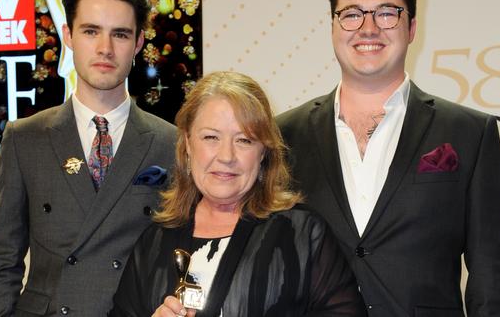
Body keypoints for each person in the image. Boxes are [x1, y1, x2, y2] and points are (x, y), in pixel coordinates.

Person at [277, 0, 500, 316]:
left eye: (387, 13)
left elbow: (491, 279)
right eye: (352, 14)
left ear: (412, 27)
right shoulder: (282, 136)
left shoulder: (471, 133)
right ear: (333, 26)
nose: (368, 28)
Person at [0, 0, 176, 316]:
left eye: (119, 34)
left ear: (138, 43)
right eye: (91, 31)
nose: (105, 48)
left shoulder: (170, 143)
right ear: (68, 35)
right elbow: (3, 256)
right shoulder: (25, 139)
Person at [109, 71, 365, 317]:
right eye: (211, 137)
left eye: (244, 140)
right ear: (187, 143)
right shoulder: (154, 241)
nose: (226, 156)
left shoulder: (303, 234)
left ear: (263, 152)